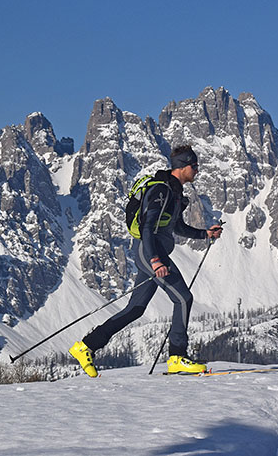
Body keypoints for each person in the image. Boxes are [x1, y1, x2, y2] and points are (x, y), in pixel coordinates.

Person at [70, 145, 223, 376]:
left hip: (154, 253)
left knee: (135, 309)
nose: (198, 170)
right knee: (183, 298)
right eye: (195, 166)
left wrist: (205, 234)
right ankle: (178, 356)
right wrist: (154, 260)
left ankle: (86, 346)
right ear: (183, 166)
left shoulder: (174, 191)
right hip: (149, 251)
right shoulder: (161, 190)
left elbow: (177, 226)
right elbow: (147, 226)